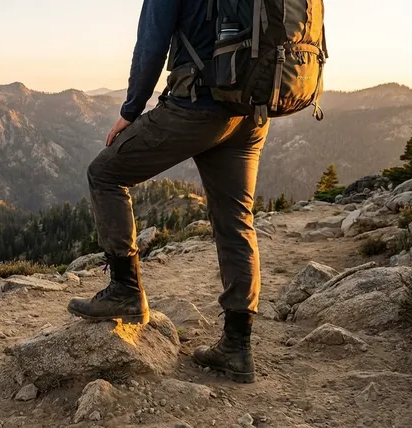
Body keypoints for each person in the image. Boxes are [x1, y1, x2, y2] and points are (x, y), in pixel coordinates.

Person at [66, 0, 269, 384]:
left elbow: (151, 45)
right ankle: (237, 347)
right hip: (251, 113)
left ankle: (125, 290)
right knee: (236, 221)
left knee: (104, 174)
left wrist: (130, 110)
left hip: (197, 106)